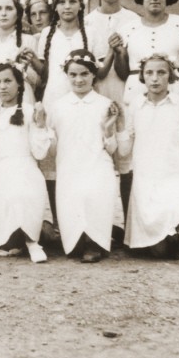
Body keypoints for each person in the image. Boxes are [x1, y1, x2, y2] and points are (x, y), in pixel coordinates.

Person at [26, 0, 108, 226]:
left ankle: (83, 217)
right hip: (54, 97)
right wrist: (32, 60)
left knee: (80, 154)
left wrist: (114, 54)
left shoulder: (91, 32)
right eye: (62, 2)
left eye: (73, 1)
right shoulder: (48, 34)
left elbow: (100, 71)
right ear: (55, 6)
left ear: (81, 4)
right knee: (53, 158)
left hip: (83, 99)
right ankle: (61, 220)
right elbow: (45, 72)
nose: (67, 6)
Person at [117, 54, 179, 260]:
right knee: (157, 251)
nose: (155, 78)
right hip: (146, 181)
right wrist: (119, 125)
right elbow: (125, 149)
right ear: (143, 77)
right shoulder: (135, 105)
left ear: (170, 76)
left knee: (169, 249)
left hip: (176, 178)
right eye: (149, 73)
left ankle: (172, 236)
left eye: (161, 73)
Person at [47, 50, 120, 263]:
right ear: (67, 75)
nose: (79, 79)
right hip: (69, 165)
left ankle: (95, 243)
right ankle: (78, 239)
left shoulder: (105, 104)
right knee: (73, 205)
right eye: (73, 74)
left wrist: (108, 130)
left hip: (98, 164)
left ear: (93, 75)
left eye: (84, 74)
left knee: (94, 196)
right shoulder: (58, 106)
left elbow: (113, 148)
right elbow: (52, 147)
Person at [84, 0, 141, 233]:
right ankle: (100, 224)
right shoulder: (87, 21)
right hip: (96, 90)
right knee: (98, 156)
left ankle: (130, 224)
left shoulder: (132, 20)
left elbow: (128, 64)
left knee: (126, 157)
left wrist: (119, 52)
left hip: (124, 89)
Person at [0, 61, 50, 262]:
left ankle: (31, 241)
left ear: (19, 84)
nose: (2, 86)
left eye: (8, 81)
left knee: (22, 196)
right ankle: (12, 240)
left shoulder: (29, 112)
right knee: (4, 202)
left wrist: (40, 125)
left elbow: (39, 153)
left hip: (24, 168)